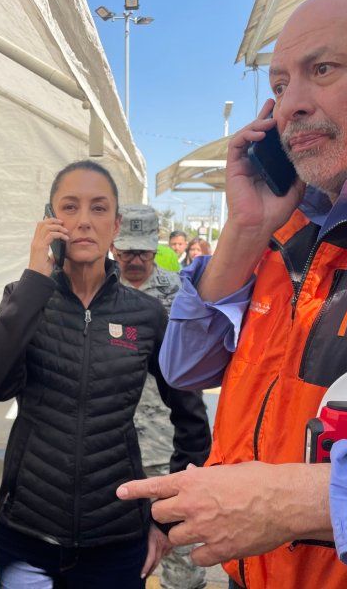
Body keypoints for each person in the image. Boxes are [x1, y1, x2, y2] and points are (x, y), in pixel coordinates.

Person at [117, 0, 347, 588]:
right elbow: (186, 366)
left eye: (322, 70)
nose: (289, 107)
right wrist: (246, 229)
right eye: (278, 86)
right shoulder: (288, 219)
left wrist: (297, 503)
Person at [0, 160, 210, 588]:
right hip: (27, 534)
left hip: (117, 537)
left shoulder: (146, 313)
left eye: (98, 209)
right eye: (69, 207)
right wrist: (33, 278)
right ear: (51, 218)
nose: (83, 221)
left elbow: (191, 418)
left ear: (116, 225)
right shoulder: (25, 298)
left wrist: (169, 519)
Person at [112, 204, 209, 589]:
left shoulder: (181, 291)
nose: (134, 260)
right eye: (125, 252)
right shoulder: (100, 291)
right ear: (114, 248)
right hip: (115, 443)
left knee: (182, 549)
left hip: (170, 443)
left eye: (142, 252)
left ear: (155, 249)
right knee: (117, 553)